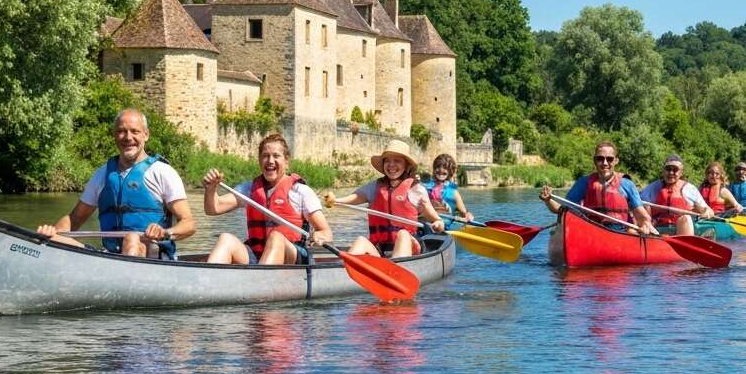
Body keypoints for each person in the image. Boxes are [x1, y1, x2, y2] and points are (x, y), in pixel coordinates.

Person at [38, 108, 195, 258]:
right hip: (109, 254)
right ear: (114, 135)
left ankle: (128, 272)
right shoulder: (102, 174)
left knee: (131, 239)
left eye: (135, 131)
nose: (128, 137)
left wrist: (165, 232)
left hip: (152, 254)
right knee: (51, 238)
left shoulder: (163, 172)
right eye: (121, 131)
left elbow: (189, 224)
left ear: (146, 135)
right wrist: (53, 233)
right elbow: (75, 219)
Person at [201, 133, 333, 265]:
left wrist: (319, 235)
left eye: (276, 156)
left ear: (286, 161)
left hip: (293, 256)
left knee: (276, 238)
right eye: (265, 156)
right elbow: (213, 208)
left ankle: (260, 276)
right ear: (259, 160)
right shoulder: (249, 190)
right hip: (257, 255)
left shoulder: (300, 191)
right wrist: (211, 188)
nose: (270, 161)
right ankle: (209, 277)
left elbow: (326, 232)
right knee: (226, 239)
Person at [324, 140, 445, 258]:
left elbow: (436, 219)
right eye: (387, 161)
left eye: (397, 161)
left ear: (406, 165)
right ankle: (346, 268)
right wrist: (336, 201)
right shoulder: (375, 187)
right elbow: (355, 197)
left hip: (410, 248)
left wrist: (438, 224)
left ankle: (397, 266)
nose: (391, 165)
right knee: (361, 241)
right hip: (380, 249)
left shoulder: (416, 190)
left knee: (403, 234)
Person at [540, 141, 657, 235]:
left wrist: (645, 224)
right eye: (600, 159)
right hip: (590, 229)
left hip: (620, 231)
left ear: (616, 160)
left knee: (634, 231)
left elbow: (642, 216)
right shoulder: (583, 183)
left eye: (609, 159)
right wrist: (548, 200)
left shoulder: (627, 184)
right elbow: (562, 209)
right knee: (566, 222)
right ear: (594, 160)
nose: (605, 163)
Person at [639, 155, 713, 236]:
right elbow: (638, 203)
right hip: (658, 228)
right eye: (668, 169)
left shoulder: (689, 189)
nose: (671, 172)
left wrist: (705, 211)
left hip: (682, 228)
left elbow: (709, 211)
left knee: (685, 218)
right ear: (663, 171)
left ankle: (685, 243)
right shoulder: (653, 187)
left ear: (681, 173)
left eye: (675, 170)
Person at [426, 153, 474, 225]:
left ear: (450, 171)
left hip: (445, 226)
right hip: (428, 223)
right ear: (434, 168)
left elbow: (464, 211)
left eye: (445, 168)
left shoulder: (454, 192)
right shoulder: (426, 188)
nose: (441, 170)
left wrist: (468, 215)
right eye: (438, 167)